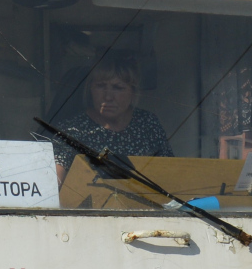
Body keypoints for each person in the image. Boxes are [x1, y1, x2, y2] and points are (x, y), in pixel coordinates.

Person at [49, 52, 172, 184]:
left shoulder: (148, 124)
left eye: (117, 88)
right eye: (101, 86)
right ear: (90, 89)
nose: (108, 97)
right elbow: (54, 184)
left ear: (133, 91)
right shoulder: (72, 130)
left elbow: (171, 173)